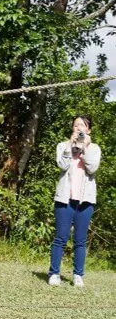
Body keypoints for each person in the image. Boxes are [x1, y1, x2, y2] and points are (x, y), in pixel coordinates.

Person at [48, 115, 101, 288]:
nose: (79, 128)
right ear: (72, 129)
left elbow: (92, 168)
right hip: (65, 199)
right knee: (61, 237)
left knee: (80, 239)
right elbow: (62, 165)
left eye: (82, 125)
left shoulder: (94, 148)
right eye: (76, 125)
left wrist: (84, 148)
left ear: (88, 130)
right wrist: (71, 147)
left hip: (85, 201)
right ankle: (54, 273)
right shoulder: (63, 146)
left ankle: (78, 275)